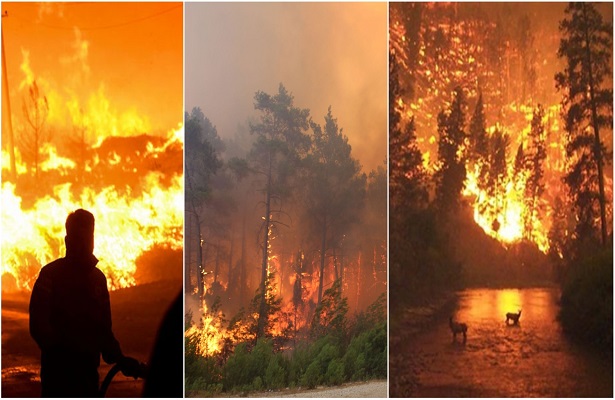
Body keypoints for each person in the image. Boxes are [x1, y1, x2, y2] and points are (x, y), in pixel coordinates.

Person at [29, 209, 140, 397]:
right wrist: (63, 351)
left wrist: (120, 358)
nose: (84, 245)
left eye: (88, 238)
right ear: (67, 240)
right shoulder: (50, 276)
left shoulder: (98, 280)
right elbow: (38, 325)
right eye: (79, 238)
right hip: (58, 379)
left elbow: (104, 329)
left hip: (88, 378)